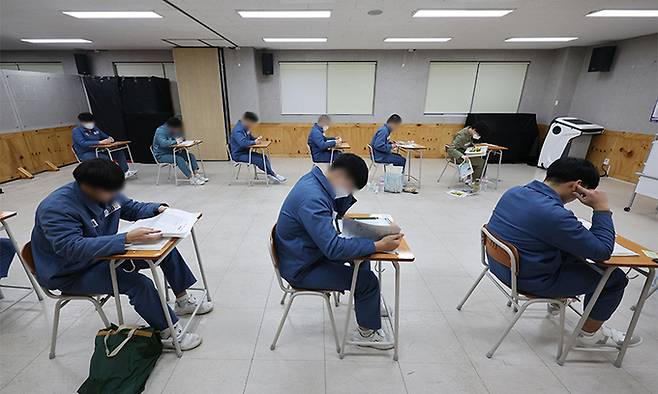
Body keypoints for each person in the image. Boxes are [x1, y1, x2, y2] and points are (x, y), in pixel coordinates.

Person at [31, 159, 213, 350]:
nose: (114, 195)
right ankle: (168, 332)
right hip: (71, 272)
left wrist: (158, 209)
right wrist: (125, 239)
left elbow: (131, 207)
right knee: (138, 284)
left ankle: (182, 301)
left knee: (165, 251)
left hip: (103, 254)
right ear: (86, 187)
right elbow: (71, 248)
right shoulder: (56, 208)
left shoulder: (104, 190)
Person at [487, 157, 641, 348]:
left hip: (500, 267)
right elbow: (602, 252)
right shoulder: (554, 214)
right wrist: (601, 209)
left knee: (567, 252)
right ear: (577, 186)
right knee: (614, 279)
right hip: (529, 280)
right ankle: (589, 334)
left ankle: (558, 300)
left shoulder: (515, 192)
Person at [275, 153, 403, 349]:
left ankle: (369, 306)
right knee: (367, 281)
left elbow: (335, 217)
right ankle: (367, 333)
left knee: (362, 256)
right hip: (302, 268)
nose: (349, 193)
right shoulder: (313, 198)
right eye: (351, 188)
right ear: (342, 176)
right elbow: (333, 248)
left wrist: (374, 235)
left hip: (307, 253)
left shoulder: (316, 182)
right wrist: (378, 245)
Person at [72, 112, 135, 178]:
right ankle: (109, 176)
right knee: (104, 158)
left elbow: (105, 136)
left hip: (99, 150)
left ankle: (125, 172)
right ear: (82, 122)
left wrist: (110, 139)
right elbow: (82, 143)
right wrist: (100, 142)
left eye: (91, 121)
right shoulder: (76, 131)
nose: (90, 123)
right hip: (86, 153)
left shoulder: (95, 128)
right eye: (88, 121)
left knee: (118, 152)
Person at [229, 111, 286, 183]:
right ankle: (272, 174)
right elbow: (243, 143)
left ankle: (270, 174)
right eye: (251, 123)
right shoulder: (238, 130)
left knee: (264, 157)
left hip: (245, 151)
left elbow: (249, 137)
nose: (252, 125)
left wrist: (256, 139)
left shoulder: (245, 128)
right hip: (239, 154)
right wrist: (254, 142)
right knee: (259, 160)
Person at [152, 117, 207, 185]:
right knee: (179, 159)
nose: (177, 130)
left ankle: (196, 174)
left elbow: (180, 137)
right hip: (161, 155)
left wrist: (181, 140)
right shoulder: (160, 131)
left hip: (173, 152)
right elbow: (163, 143)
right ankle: (191, 178)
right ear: (171, 127)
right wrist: (176, 141)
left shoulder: (174, 129)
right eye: (176, 129)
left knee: (190, 156)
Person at [447, 123, 485, 191]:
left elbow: (466, 144)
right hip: (457, 156)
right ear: (474, 130)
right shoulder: (461, 136)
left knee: (479, 159)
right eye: (477, 134)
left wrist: (473, 146)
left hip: (464, 153)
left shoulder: (469, 132)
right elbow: (451, 149)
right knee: (481, 162)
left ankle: (471, 179)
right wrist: (462, 156)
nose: (477, 136)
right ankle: (474, 181)